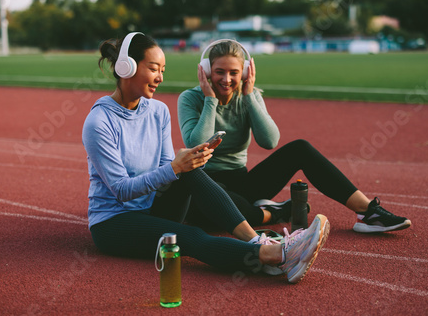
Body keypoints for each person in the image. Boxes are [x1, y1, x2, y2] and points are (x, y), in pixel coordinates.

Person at [81, 31, 331, 283]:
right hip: (115, 223)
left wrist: (182, 164)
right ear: (127, 68)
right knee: (188, 236)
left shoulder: (157, 110)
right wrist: (174, 168)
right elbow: (121, 190)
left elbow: (168, 171)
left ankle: (255, 239)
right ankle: (277, 255)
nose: (160, 78)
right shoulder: (99, 122)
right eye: (154, 68)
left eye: (163, 70)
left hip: (153, 208)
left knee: (190, 169)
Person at [177, 39, 411, 234]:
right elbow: (195, 143)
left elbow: (269, 142)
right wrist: (210, 100)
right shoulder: (190, 98)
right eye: (219, 72)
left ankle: (367, 211)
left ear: (246, 72)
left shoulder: (250, 96)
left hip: (242, 183)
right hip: (204, 183)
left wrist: (249, 97)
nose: (226, 79)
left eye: (234, 72)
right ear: (207, 71)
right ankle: (275, 212)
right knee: (207, 215)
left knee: (300, 148)